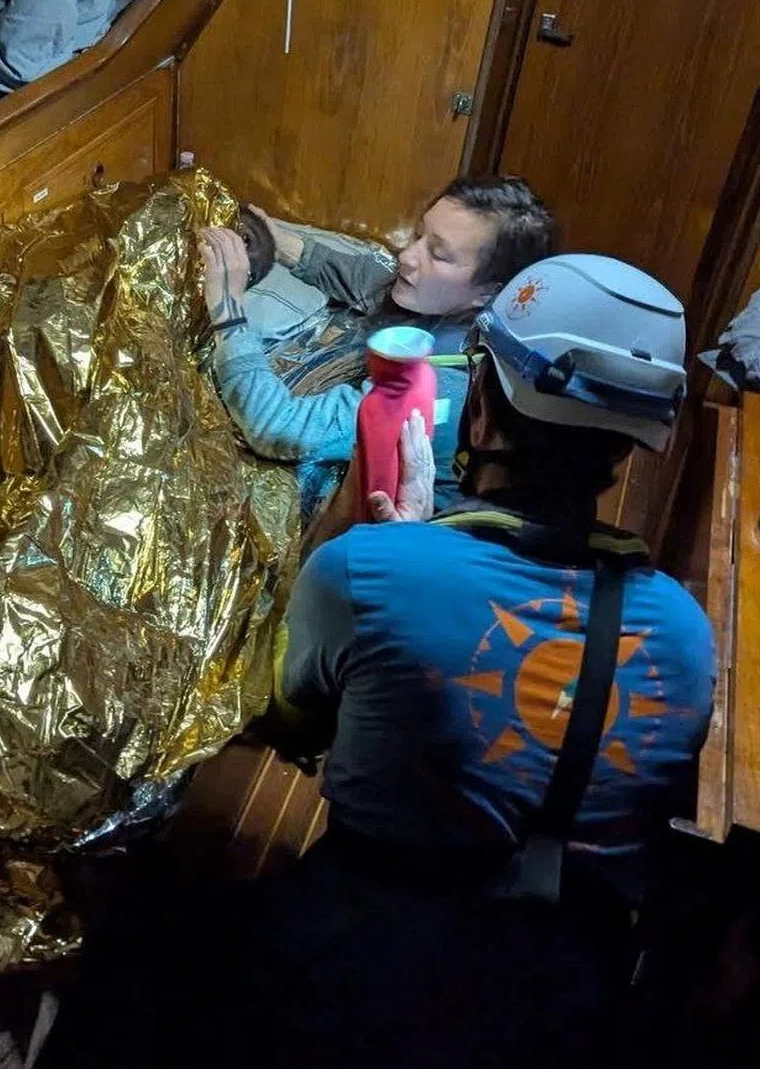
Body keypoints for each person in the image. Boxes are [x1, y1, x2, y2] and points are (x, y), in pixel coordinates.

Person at [231, 254, 713, 1068]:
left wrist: (398, 543)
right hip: (558, 990)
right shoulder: (685, 630)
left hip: (363, 958)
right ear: (625, 451)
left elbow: (292, 723)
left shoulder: (369, 572)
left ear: (481, 409)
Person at [197, 175, 557, 511]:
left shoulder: (436, 382)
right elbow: (376, 281)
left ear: (488, 291)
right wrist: (279, 244)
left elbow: (276, 426)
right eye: (418, 236)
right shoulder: (474, 308)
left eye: (438, 254)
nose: (407, 256)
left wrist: (228, 310)